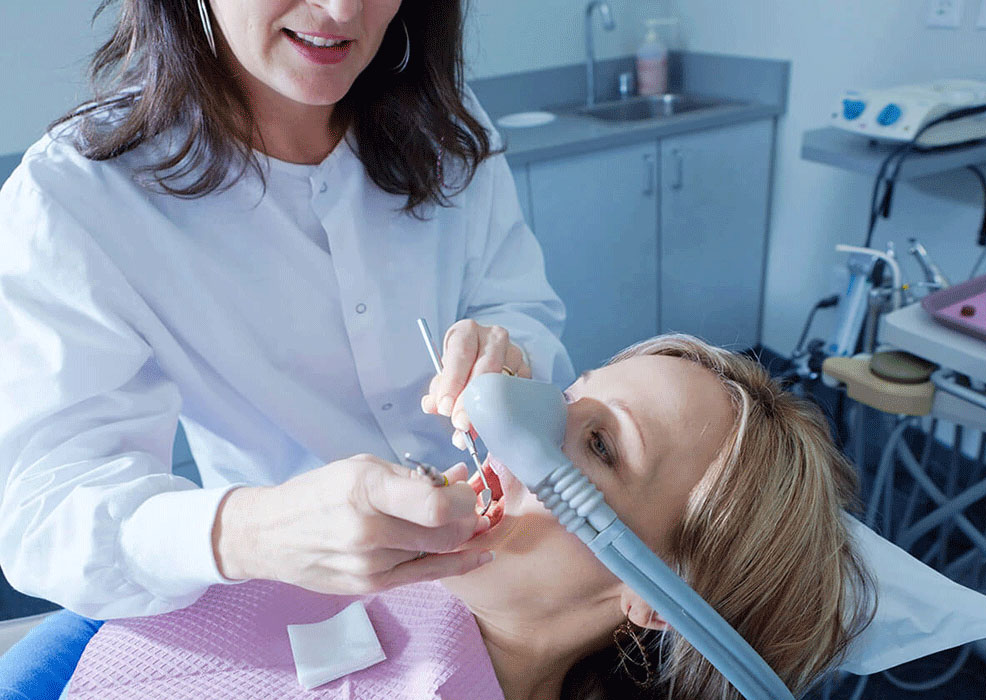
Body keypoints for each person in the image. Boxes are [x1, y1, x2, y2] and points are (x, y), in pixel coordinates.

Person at [0, 0, 573, 627]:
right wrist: (253, 531)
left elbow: (520, 309)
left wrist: (508, 358)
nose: (342, 8)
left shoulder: (442, 122)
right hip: (295, 607)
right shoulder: (78, 198)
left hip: (506, 573)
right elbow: (44, 512)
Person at [63, 335, 876, 700]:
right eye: (567, 393)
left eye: (597, 445)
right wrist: (242, 532)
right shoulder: (336, 550)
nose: (503, 408)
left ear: (657, 598)